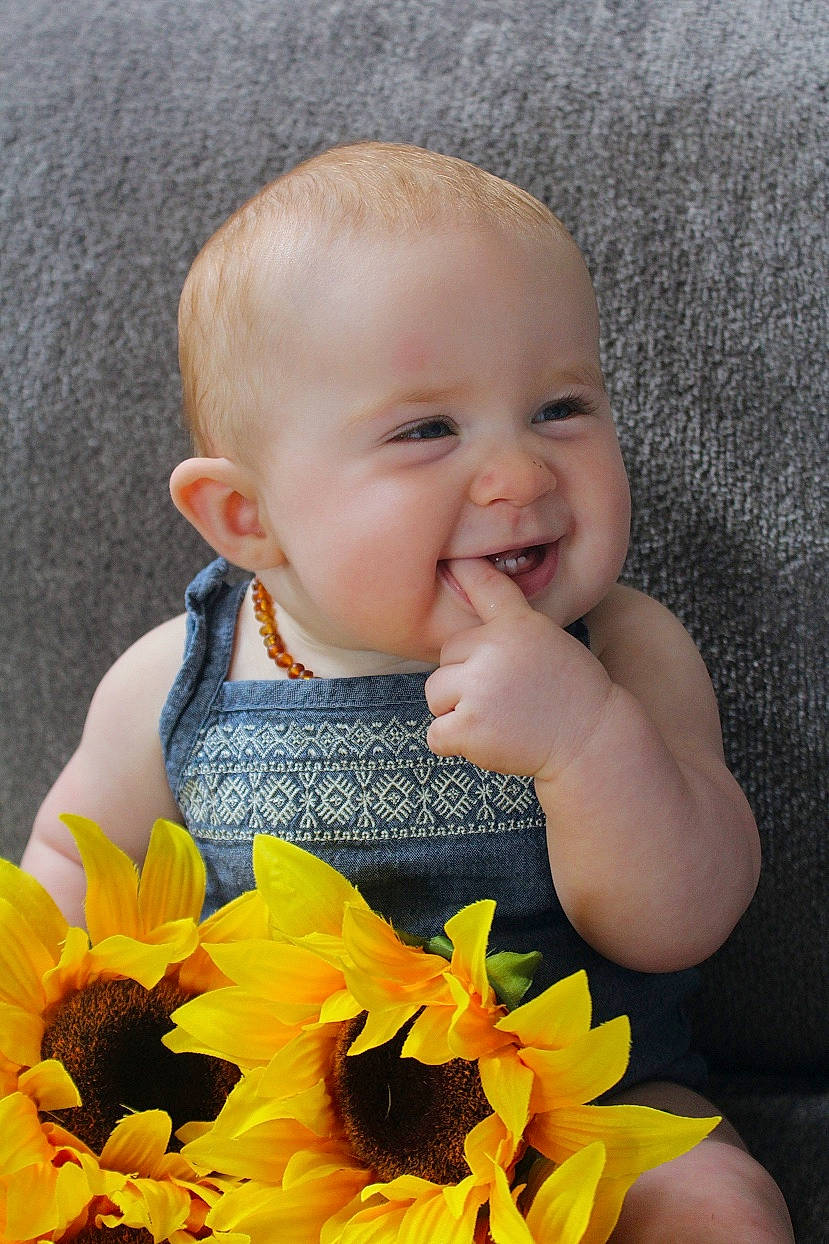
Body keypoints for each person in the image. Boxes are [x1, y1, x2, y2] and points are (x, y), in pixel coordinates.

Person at [21, 142, 793, 1240]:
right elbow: (67, 877)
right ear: (248, 517)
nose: (519, 473)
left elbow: (681, 920)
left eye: (560, 407)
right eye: (427, 430)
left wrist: (584, 739)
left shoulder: (621, 649)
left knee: (714, 1204)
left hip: (586, 1119)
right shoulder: (177, 678)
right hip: (286, 1150)